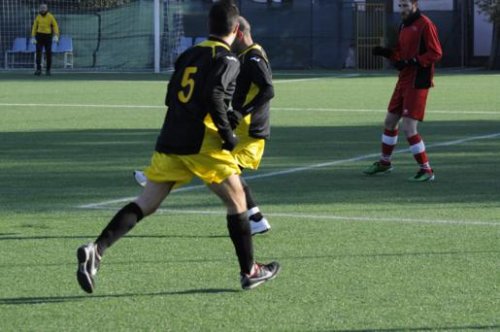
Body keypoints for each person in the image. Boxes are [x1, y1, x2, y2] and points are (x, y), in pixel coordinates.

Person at [76, 1, 280, 294]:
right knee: (237, 201)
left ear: (208, 27)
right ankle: (250, 271)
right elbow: (214, 95)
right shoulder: (229, 59)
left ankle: (96, 249)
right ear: (236, 29)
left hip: (171, 137)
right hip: (202, 142)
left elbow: (171, 95)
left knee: (146, 201)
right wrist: (226, 133)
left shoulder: (189, 53)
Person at [133, 16, 275, 236]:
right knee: (225, 170)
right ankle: (256, 218)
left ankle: (156, 178)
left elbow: (268, 90)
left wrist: (240, 112)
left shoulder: (253, 57)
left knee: (226, 170)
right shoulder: (244, 56)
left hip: (250, 129)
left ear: (238, 33)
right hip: (242, 126)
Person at [364, 0, 442, 182]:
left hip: (418, 81)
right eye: (400, 6)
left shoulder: (425, 24)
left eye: (405, 5)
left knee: (409, 127)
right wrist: (387, 53)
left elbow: (436, 53)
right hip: (404, 80)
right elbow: (400, 53)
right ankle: (385, 163)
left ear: (414, 4)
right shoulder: (403, 26)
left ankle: (427, 170)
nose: (402, 9)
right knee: (390, 121)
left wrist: (412, 62)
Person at [31, 4, 60, 76]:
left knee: (48, 53)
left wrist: (56, 35)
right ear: (39, 9)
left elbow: (55, 25)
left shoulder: (50, 16)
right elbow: (34, 26)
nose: (42, 9)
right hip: (39, 36)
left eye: (44, 8)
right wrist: (33, 37)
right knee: (38, 53)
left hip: (48, 36)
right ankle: (38, 70)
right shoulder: (38, 17)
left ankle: (48, 70)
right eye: (41, 8)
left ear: (47, 8)